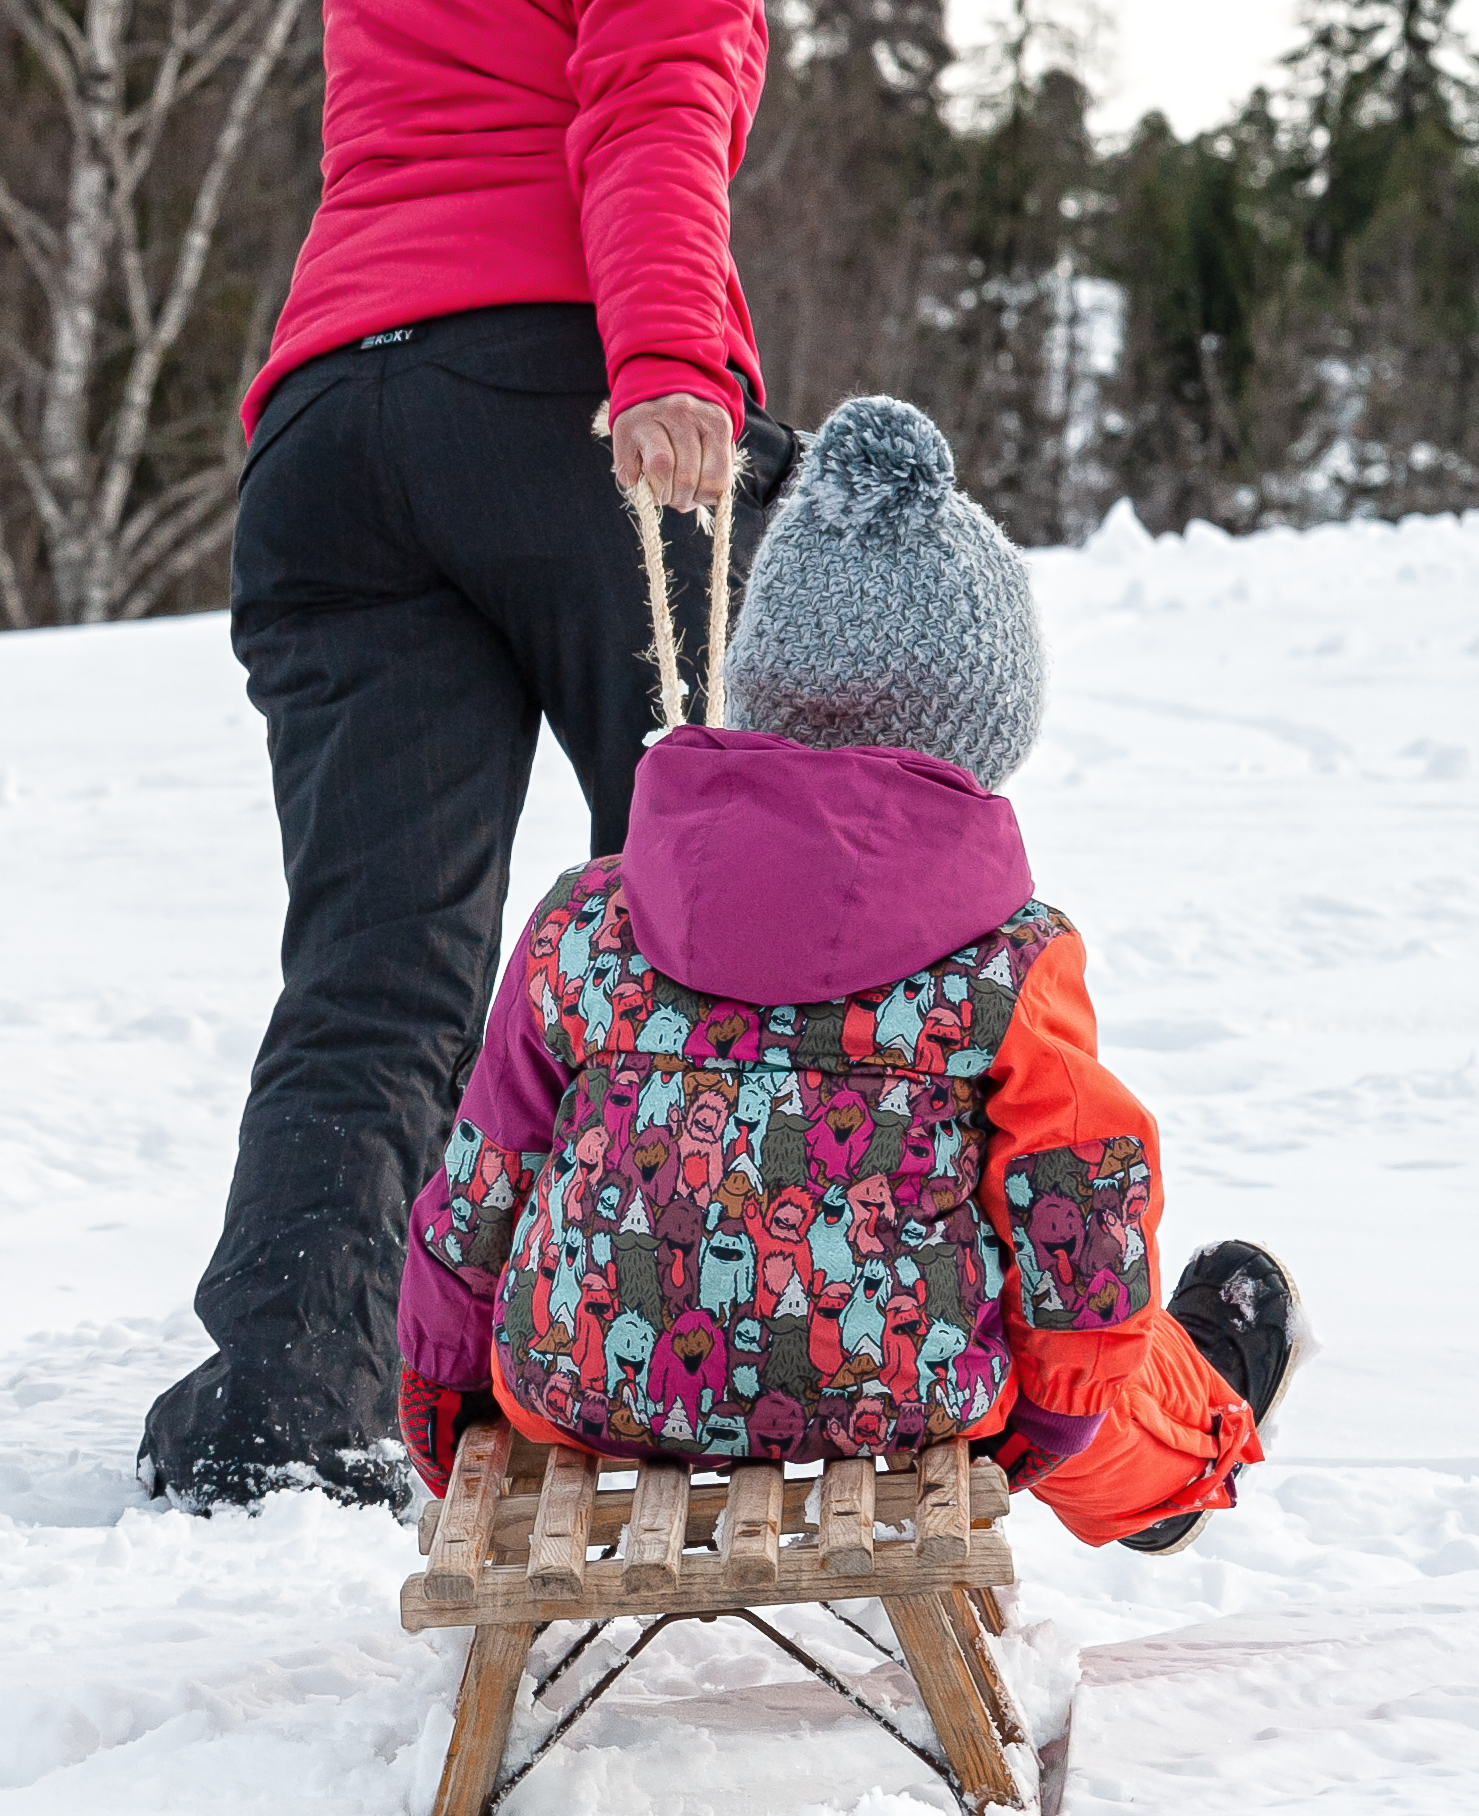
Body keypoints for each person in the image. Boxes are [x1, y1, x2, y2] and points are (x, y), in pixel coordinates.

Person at [144, 0, 936, 1503]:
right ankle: (741, 1359)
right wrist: (670, 355)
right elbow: (651, 102)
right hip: (562, 400)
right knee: (747, 908)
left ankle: (278, 1403)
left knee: (380, 961)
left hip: (332, 434)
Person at [396, 398, 1300, 1551]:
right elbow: (1082, 1207)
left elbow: (485, 1170)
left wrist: (442, 1389)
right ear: (982, 724)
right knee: (1075, 1325)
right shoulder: (1006, 958)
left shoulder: (585, 919)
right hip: (900, 1398)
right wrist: (1049, 1432)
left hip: (583, 1385)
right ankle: (1180, 1453)